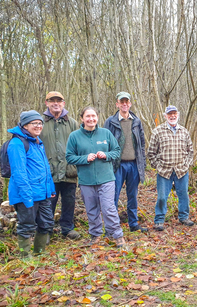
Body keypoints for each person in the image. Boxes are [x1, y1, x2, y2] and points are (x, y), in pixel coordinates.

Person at [66, 107, 125, 247]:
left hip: (106, 178)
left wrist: (106, 155)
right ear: (82, 118)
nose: (91, 119)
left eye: (93, 116)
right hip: (86, 180)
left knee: (108, 208)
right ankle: (95, 235)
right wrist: (84, 158)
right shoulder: (74, 136)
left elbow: (116, 151)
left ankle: (117, 235)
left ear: (97, 117)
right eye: (87, 116)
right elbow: (69, 157)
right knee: (92, 209)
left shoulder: (106, 133)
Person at [7, 110, 55, 257]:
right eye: (34, 123)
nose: (38, 126)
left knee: (46, 223)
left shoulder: (37, 142)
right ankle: (25, 257)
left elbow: (45, 168)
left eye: (40, 123)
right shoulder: (16, 144)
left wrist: (51, 189)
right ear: (25, 125)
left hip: (43, 193)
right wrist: (27, 197)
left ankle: (39, 253)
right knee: (26, 226)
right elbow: (19, 173)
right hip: (26, 195)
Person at [103, 92, 147, 233]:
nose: (124, 104)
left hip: (133, 164)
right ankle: (112, 227)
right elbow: (105, 143)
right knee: (113, 196)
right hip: (117, 165)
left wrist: (142, 164)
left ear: (130, 104)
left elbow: (141, 144)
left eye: (126, 102)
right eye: (121, 102)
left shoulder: (137, 121)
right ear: (117, 104)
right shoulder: (111, 121)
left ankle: (133, 224)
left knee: (132, 196)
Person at [40, 91, 80, 240]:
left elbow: (79, 145)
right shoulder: (40, 123)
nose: (55, 103)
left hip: (69, 170)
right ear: (47, 103)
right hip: (48, 172)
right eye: (52, 101)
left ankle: (67, 228)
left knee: (69, 201)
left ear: (63, 103)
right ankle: (46, 231)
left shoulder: (72, 123)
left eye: (59, 100)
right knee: (48, 203)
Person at [147, 105, 194, 231]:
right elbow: (151, 153)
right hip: (164, 171)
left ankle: (184, 217)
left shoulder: (184, 131)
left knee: (183, 195)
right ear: (165, 116)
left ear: (178, 114)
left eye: (174, 114)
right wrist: (158, 166)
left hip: (181, 170)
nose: (172, 116)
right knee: (162, 197)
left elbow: (191, 151)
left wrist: (187, 164)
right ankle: (159, 220)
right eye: (169, 114)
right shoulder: (157, 131)